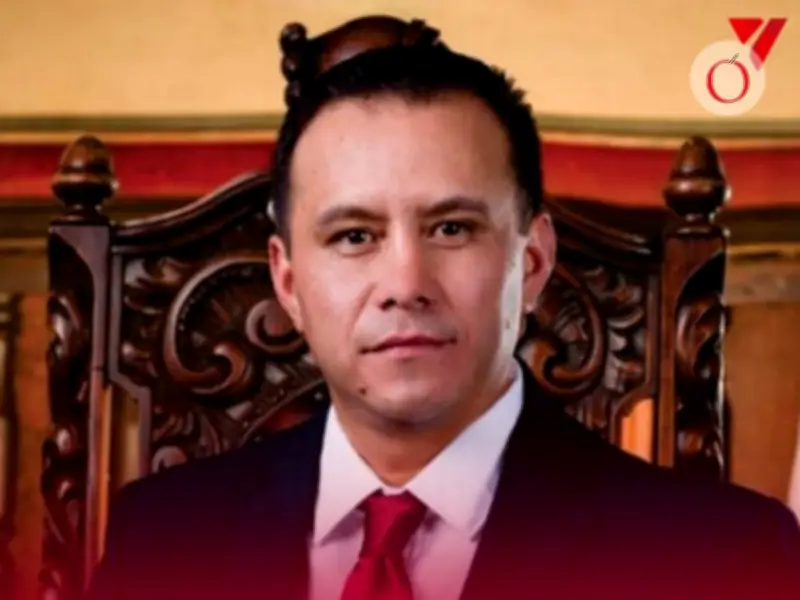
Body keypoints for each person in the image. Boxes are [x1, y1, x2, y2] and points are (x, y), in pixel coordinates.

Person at [86, 44, 800, 600]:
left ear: (533, 261)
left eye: (452, 228)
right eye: (354, 236)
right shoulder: (164, 535)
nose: (405, 286)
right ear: (289, 281)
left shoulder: (722, 553)